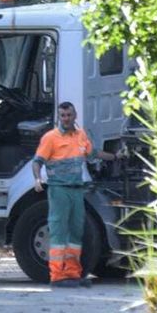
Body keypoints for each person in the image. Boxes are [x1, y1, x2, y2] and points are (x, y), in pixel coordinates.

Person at [32, 101, 121, 288]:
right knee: (58, 231)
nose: (66, 119)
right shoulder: (50, 138)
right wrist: (37, 179)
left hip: (76, 190)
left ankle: (73, 274)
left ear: (75, 116)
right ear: (59, 117)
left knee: (75, 231)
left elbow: (93, 153)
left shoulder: (81, 135)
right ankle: (57, 275)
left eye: (69, 115)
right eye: (63, 116)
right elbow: (37, 161)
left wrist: (115, 157)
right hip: (59, 190)